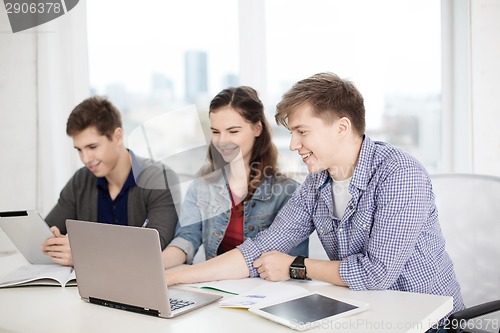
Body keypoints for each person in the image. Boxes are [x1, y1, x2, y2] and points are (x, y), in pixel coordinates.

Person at [164, 73, 465, 325]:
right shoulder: (316, 183)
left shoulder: (399, 174)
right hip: (365, 316)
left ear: (342, 127)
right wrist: (177, 276)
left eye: (302, 132)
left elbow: (376, 274)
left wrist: (296, 266)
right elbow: (260, 248)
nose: (294, 144)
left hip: (427, 321)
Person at [162, 86, 308, 268]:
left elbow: (293, 263)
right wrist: (155, 265)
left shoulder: (286, 191)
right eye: (215, 132)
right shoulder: (202, 185)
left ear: (257, 129)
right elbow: (186, 239)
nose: (222, 141)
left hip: (264, 290)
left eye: (233, 131)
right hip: (216, 285)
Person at [42, 96, 180, 266]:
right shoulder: (82, 179)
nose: (85, 158)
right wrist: (52, 240)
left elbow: (154, 246)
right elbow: (48, 230)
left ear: (118, 137)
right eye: (79, 150)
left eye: (92, 147)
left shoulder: (159, 178)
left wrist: (84, 253)